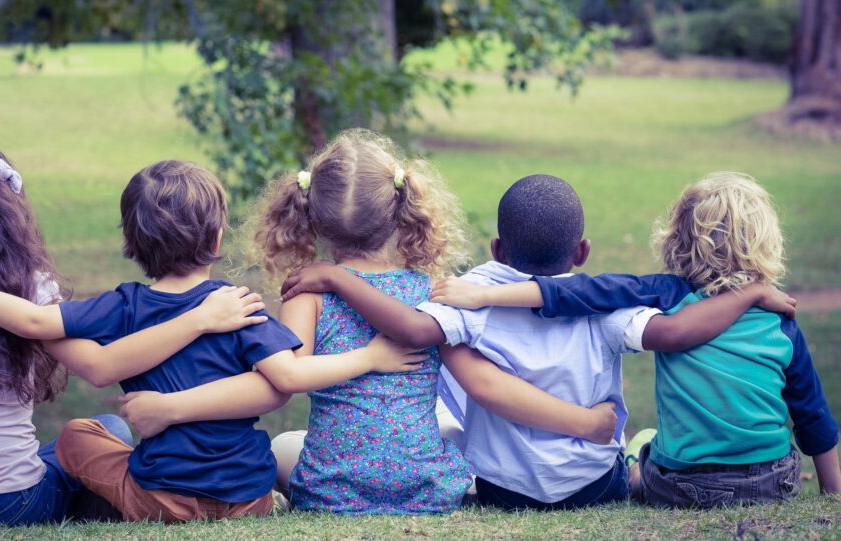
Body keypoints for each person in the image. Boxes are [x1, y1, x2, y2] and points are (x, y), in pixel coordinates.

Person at [0, 158, 420, 523]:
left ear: (131, 245)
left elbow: (33, 323)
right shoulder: (237, 303)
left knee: (77, 435)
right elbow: (280, 386)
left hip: (161, 499)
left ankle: (106, 501)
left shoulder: (125, 305)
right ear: (218, 238)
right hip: (249, 497)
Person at [281, 173, 796, 511]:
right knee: (637, 450)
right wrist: (749, 293)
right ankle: (639, 464)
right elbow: (676, 332)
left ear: (498, 248)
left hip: (504, 490)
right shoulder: (605, 303)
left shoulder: (469, 295)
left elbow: (422, 337)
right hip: (594, 486)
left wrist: (336, 278)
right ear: (582, 251)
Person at [0, 142, 261, 528]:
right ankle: (98, 503)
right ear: (7, 208)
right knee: (111, 430)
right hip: (14, 503)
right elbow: (96, 364)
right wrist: (200, 319)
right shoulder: (32, 292)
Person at [428, 172, 836, 508]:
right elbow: (812, 414)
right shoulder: (778, 320)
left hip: (658, 485)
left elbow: (574, 295)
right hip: (760, 483)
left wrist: (483, 296)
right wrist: (832, 495)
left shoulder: (662, 295)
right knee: (642, 448)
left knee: (646, 450)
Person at [241, 129, 484, 514]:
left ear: (313, 218)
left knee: (280, 446)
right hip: (426, 488)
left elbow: (292, 373)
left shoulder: (308, 292)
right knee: (446, 423)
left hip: (331, 491)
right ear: (399, 210)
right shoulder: (428, 289)